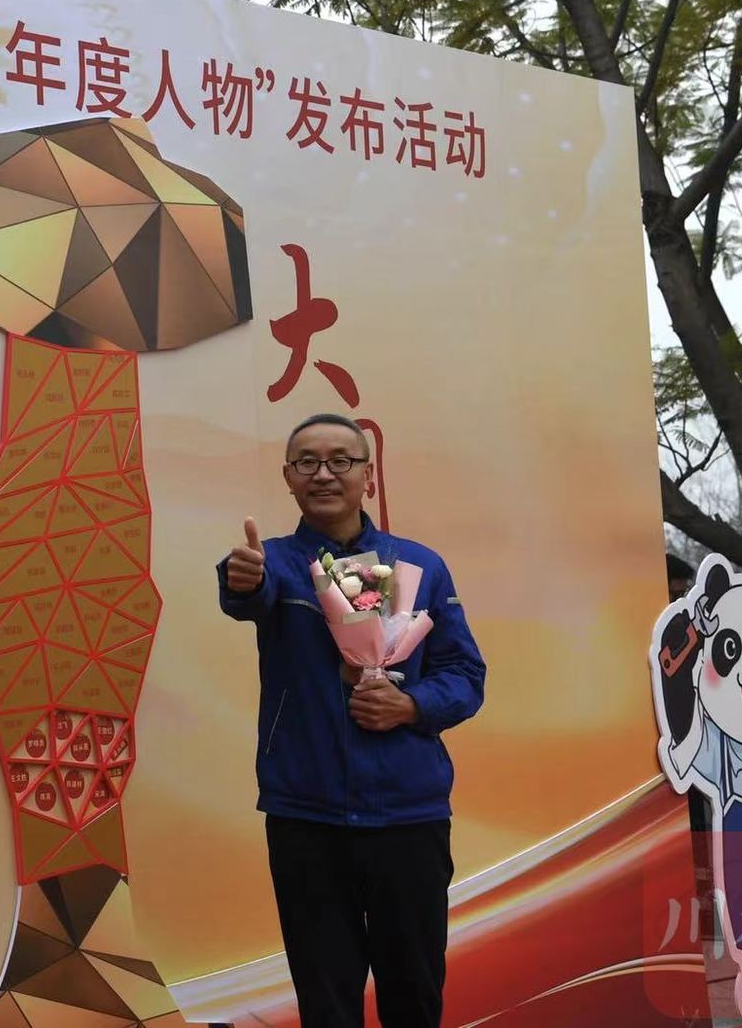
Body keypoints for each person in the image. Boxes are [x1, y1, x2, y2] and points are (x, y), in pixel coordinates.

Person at [217, 413, 486, 1028]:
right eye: (307, 461)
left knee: (414, 992)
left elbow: (466, 674)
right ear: (288, 477)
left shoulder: (419, 565)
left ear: (368, 474)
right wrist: (242, 581)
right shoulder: (274, 564)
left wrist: (412, 705)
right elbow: (246, 594)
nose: (324, 474)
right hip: (306, 816)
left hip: (408, 813)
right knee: (326, 1001)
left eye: (341, 460)